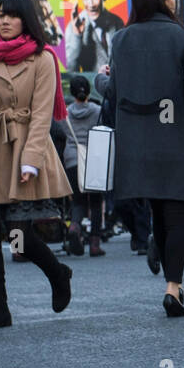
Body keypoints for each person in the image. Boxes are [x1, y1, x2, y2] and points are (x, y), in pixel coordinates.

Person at [0, 0, 74, 329]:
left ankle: (57, 272)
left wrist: (32, 160)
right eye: (1, 15)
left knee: (19, 234)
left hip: (24, 146)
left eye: (13, 16)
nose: (4, 21)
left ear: (27, 21)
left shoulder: (43, 58)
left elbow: (41, 115)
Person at [102, 0, 184, 316]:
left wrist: (100, 78)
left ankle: (159, 249)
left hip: (136, 142)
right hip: (176, 139)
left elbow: (112, 91)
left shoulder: (120, 39)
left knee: (158, 208)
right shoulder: (183, 38)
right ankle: (173, 287)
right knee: (177, 212)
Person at [56, 74, 105, 257]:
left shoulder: (65, 114)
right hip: (94, 158)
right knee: (96, 202)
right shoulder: (97, 110)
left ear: (72, 92)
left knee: (78, 201)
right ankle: (94, 244)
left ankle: (75, 227)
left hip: (72, 159)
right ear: (88, 91)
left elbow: (59, 131)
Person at [64, 0, 123, 74]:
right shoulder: (73, 27)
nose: (90, 4)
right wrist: (77, 36)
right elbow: (71, 69)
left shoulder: (117, 22)